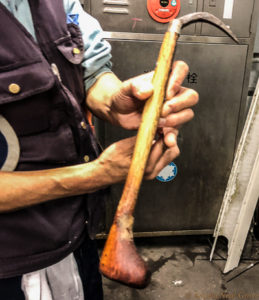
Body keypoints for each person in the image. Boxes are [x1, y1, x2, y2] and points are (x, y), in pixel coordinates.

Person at [0, 0, 199, 299]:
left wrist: (115, 101)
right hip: (12, 263)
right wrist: (96, 175)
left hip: (78, 235)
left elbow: (91, 67)